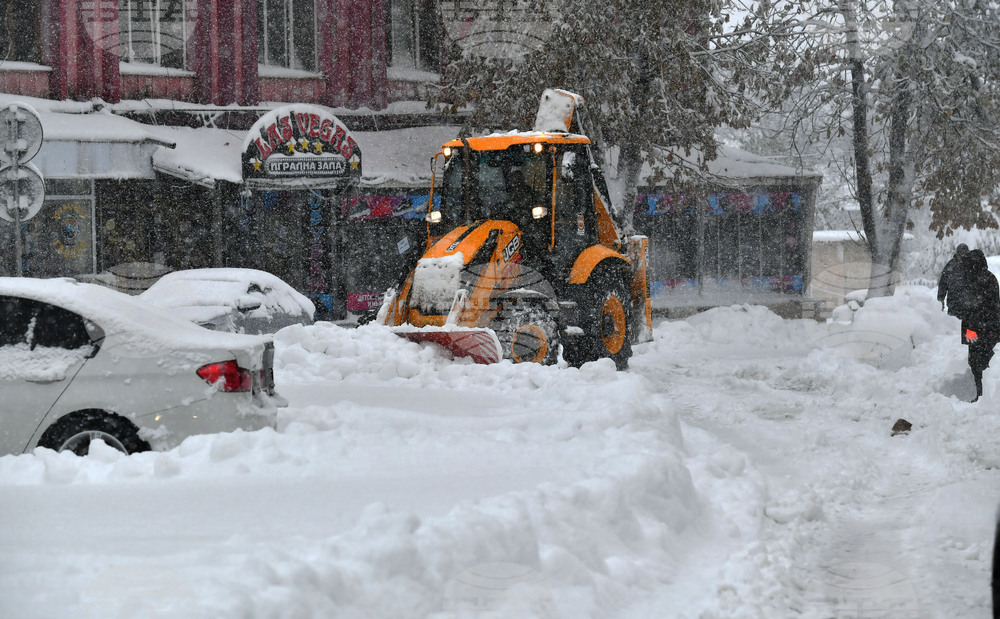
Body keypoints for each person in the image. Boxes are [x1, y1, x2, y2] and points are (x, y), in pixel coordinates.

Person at [957, 249, 1000, 401]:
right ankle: (983, 395)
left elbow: (973, 306)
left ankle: (983, 395)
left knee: (977, 360)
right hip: (986, 328)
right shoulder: (989, 278)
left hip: (977, 328)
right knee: (982, 360)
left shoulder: (975, 279)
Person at [939, 243, 969, 316]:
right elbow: (943, 283)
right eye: (960, 254)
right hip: (953, 303)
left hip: (968, 305)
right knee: (953, 325)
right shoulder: (950, 265)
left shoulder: (971, 265)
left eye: (964, 254)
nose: (961, 256)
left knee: (968, 327)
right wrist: (940, 299)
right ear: (957, 254)